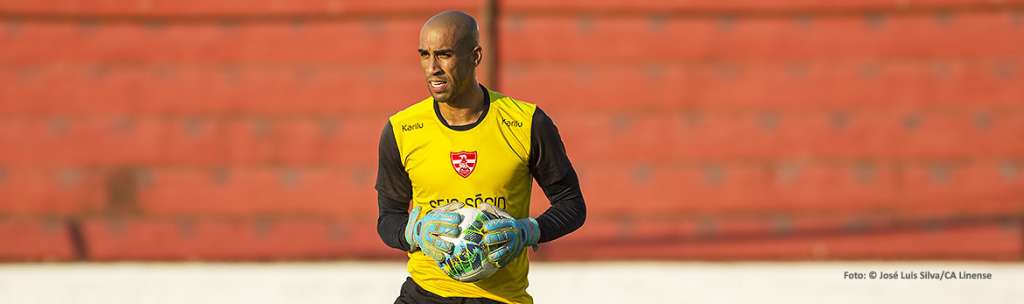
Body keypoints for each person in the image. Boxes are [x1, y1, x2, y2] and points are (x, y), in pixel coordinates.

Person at [375, 10, 587, 304]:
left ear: (475, 56)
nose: (432, 68)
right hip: (424, 294)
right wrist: (416, 233)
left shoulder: (527, 122)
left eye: (444, 55)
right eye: (425, 55)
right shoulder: (401, 129)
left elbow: (572, 205)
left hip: (501, 298)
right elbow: (388, 219)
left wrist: (527, 231)